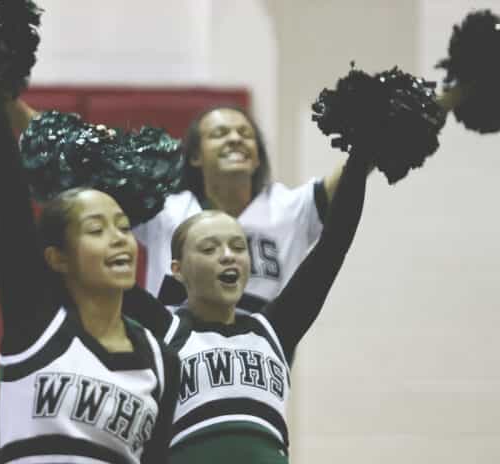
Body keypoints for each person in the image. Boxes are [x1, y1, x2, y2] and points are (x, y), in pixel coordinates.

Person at [121, 148, 370, 463]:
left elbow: (334, 243)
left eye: (238, 246)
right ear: (177, 269)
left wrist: (360, 154)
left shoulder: (273, 331)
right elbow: (92, 265)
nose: (227, 255)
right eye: (209, 248)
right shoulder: (162, 333)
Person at [0, 100, 180, 464]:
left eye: (123, 226)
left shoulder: (161, 359)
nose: (119, 238)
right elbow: (9, 192)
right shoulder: (35, 324)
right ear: (57, 257)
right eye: (96, 229)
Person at [134, 105, 345, 308]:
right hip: (177, 343)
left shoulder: (289, 208)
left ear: (257, 158)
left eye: (245, 134)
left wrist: (369, 134)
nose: (235, 139)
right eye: (220, 133)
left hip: (264, 342)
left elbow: (351, 176)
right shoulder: (165, 211)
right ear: (196, 156)